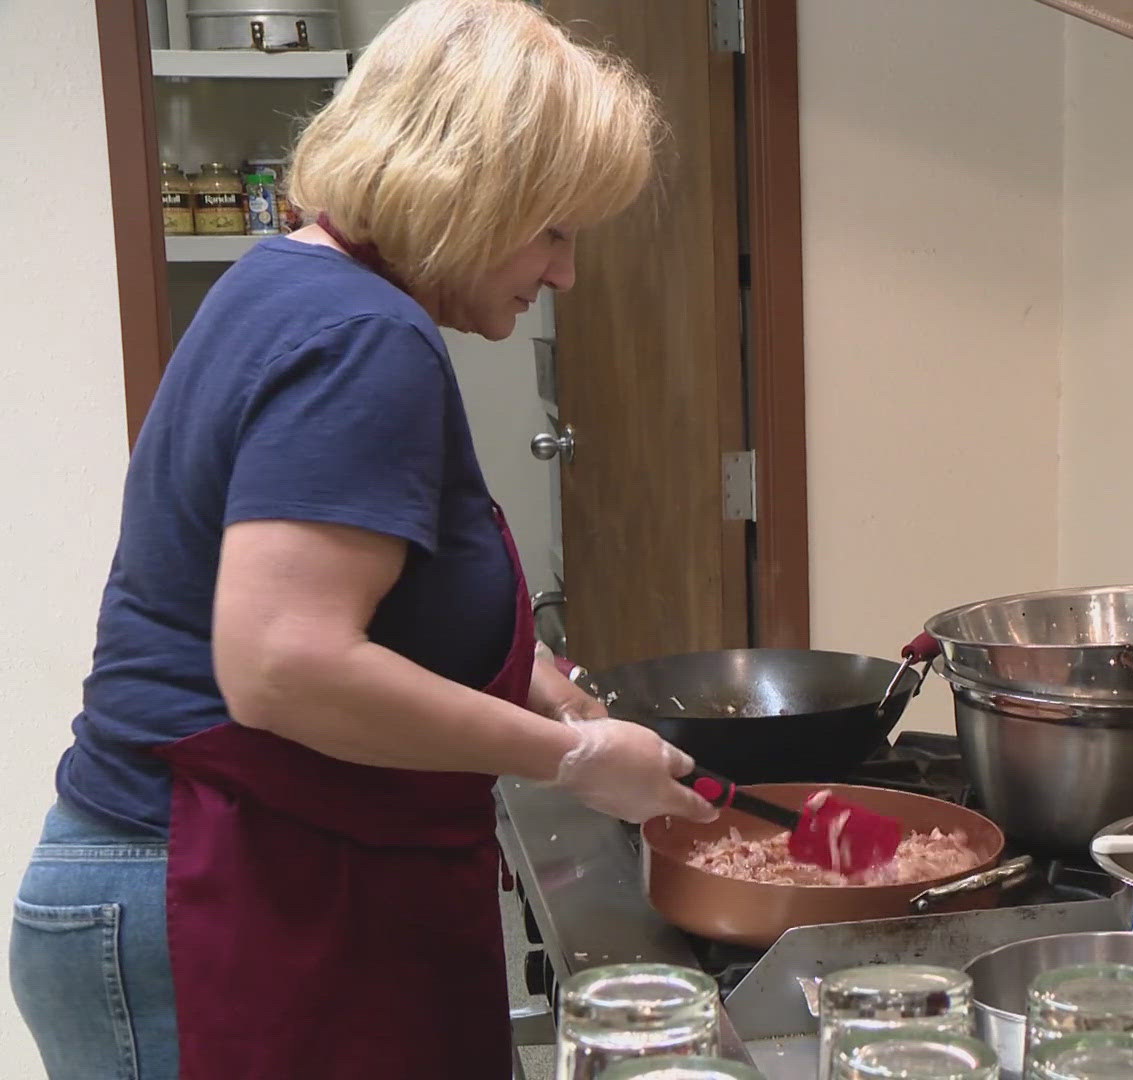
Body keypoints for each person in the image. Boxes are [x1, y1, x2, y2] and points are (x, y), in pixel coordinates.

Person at [8, 2, 718, 1076]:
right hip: (202, 890)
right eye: (555, 229)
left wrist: (545, 686)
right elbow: (284, 665)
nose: (565, 275)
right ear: (470, 190)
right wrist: (575, 759)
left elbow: (362, 600)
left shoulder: (288, 283)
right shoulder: (359, 336)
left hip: (182, 874)